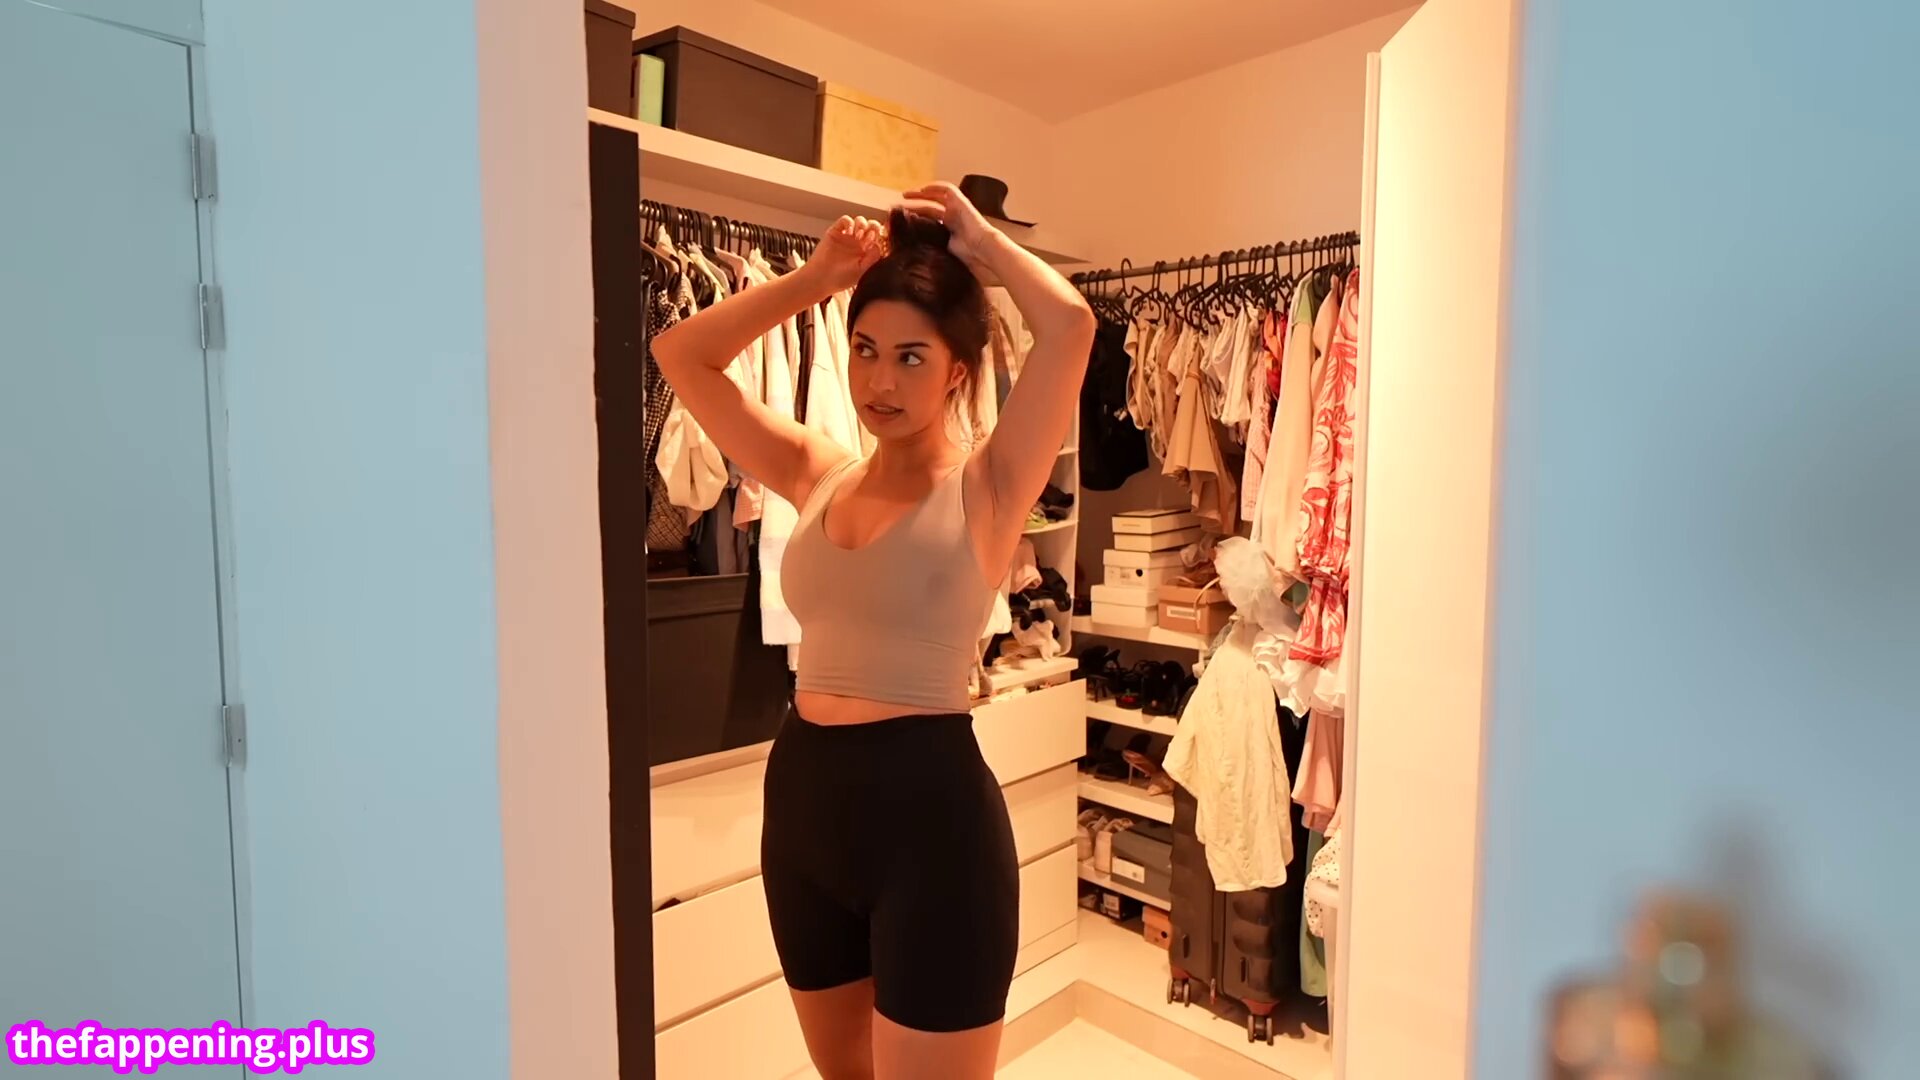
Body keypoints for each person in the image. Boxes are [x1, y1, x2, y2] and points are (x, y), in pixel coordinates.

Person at [650, 182, 1095, 1079]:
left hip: (932, 828)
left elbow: (1070, 327)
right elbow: (680, 354)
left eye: (910, 357)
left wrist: (980, 244)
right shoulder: (817, 471)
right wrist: (814, 281)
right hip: (804, 809)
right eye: (864, 351)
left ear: (958, 370)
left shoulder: (989, 486)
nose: (879, 382)